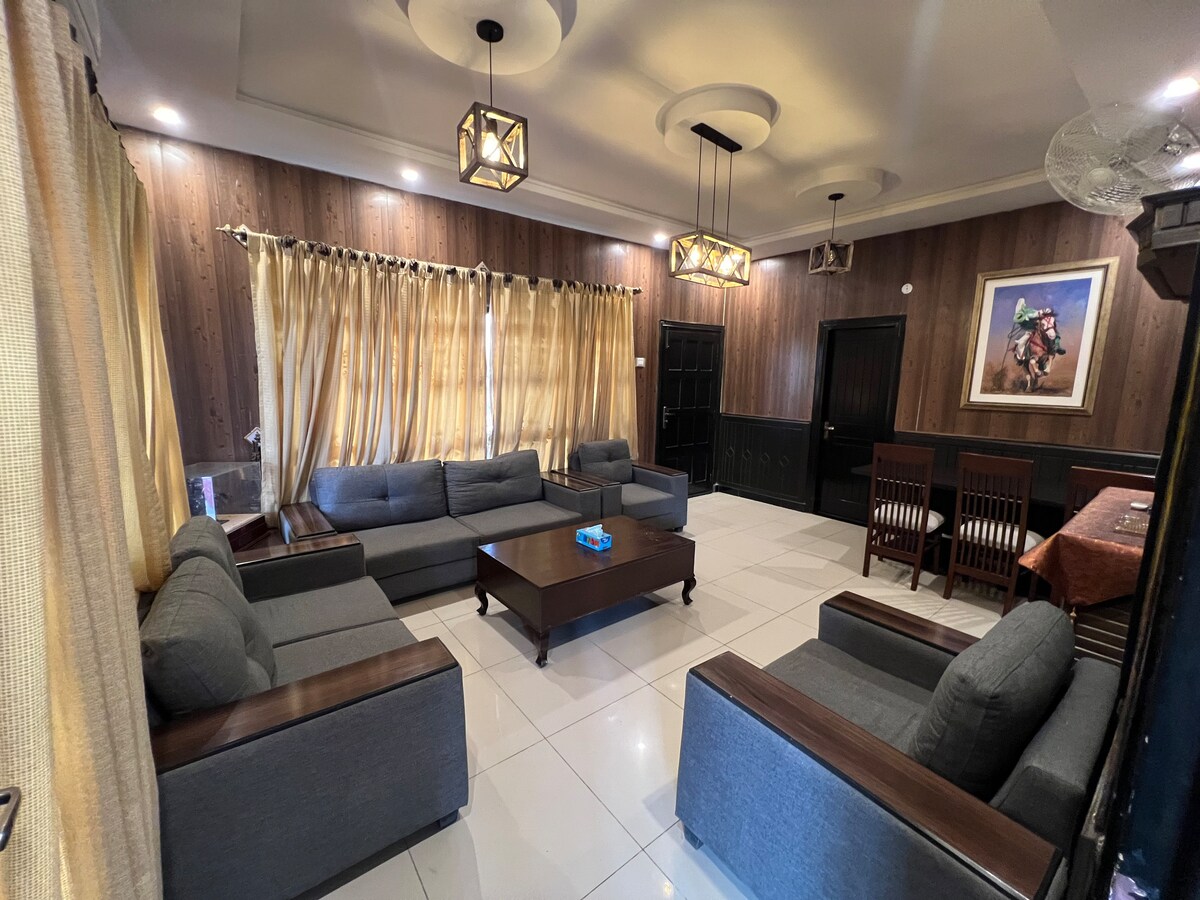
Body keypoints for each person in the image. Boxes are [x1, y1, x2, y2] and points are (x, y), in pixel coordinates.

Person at [1012, 298, 1065, 363]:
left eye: (1023, 304)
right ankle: (1020, 356)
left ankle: (1057, 347)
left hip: (1036, 327)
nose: (1023, 305)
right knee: (1022, 341)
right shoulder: (1019, 314)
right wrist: (1039, 313)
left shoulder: (1029, 310)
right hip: (1027, 329)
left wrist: (1042, 312)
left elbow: (1036, 314)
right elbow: (1020, 318)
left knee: (1051, 330)